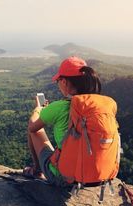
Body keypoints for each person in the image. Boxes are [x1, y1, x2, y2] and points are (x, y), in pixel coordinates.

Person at [23, 56, 102, 186]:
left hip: (65, 178)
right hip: (96, 178)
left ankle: (37, 171)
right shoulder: (99, 105)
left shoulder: (60, 106)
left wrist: (37, 109)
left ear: (64, 82)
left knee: (36, 131)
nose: (58, 84)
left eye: (58, 81)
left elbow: (32, 126)